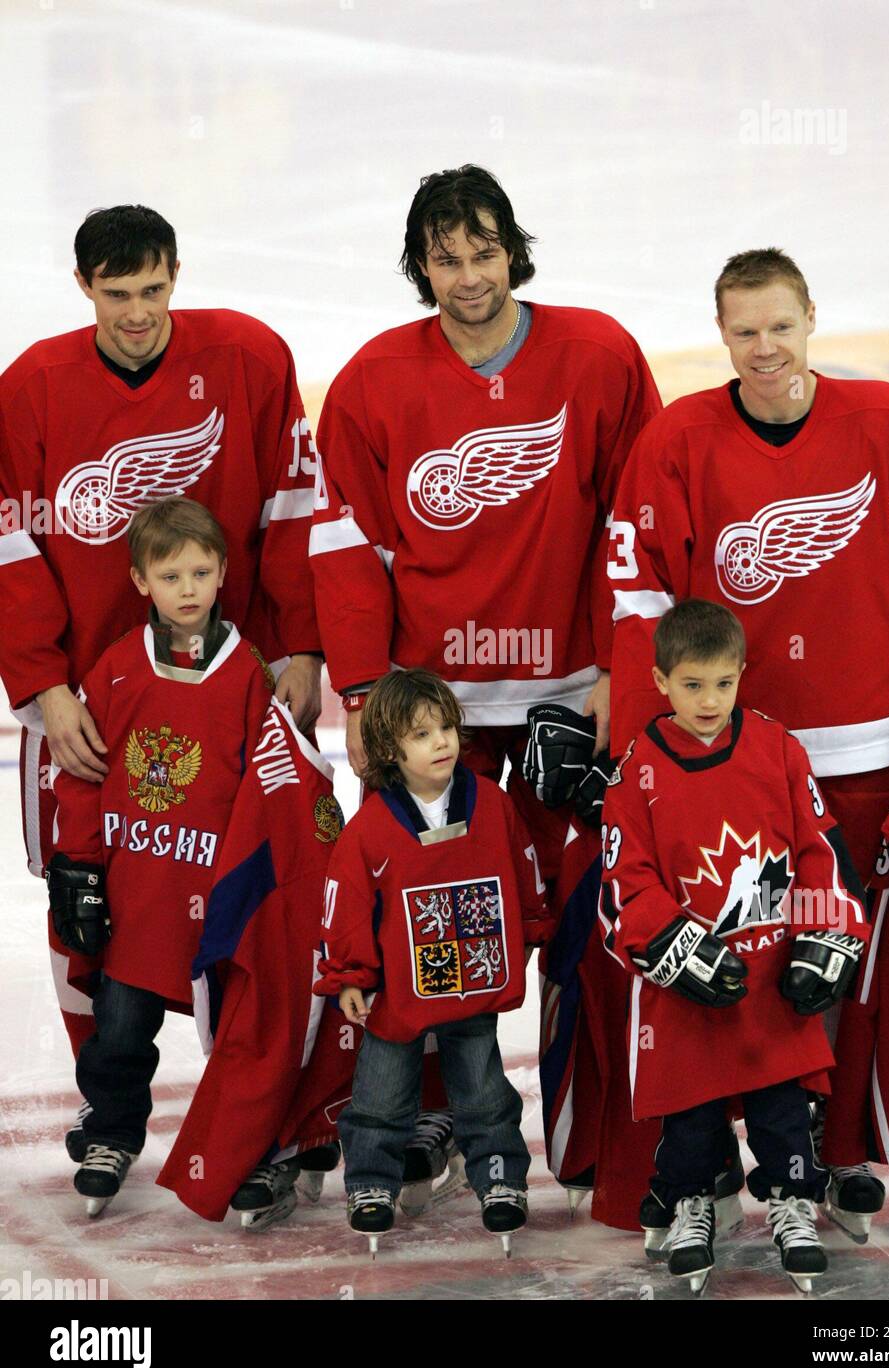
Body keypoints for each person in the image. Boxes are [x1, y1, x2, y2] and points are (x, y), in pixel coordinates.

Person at [608, 247, 889, 1234]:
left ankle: (832, 1147)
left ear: (811, 317)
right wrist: (636, 748)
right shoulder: (678, 438)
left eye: (779, 324)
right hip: (725, 764)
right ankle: (701, 1164)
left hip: (865, 751)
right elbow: (637, 595)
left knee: (835, 955)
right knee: (721, 958)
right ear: (720, 334)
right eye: (743, 330)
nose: (763, 347)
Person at [308, 164, 660, 1193]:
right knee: (412, 920)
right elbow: (345, 543)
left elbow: (632, 527)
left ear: (515, 248)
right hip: (432, 711)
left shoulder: (598, 354)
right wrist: (370, 690)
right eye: (445, 257)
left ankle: (593, 1132)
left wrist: (619, 670)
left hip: (569, 689)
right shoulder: (374, 379)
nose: (467, 276)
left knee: (590, 913)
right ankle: (421, 1121)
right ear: (419, 264)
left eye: (484, 251)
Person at [0, 204, 323, 1073]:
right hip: (92, 700)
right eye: (116, 294)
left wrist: (301, 648)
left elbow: (292, 509)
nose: (137, 314)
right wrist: (42, 685)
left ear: (176, 275)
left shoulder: (249, 358)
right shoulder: (30, 385)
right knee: (83, 897)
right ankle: (106, 1102)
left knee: (249, 888)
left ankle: (251, 1107)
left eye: (152, 289)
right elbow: (11, 546)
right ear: (82, 288)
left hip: (230, 689)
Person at [601, 600, 870, 1293]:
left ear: (741, 673)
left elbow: (818, 848)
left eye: (723, 682)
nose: (709, 700)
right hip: (686, 998)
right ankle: (692, 1200)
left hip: (771, 978)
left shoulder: (776, 746)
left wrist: (826, 930)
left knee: (783, 1111)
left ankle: (790, 1201)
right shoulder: (637, 771)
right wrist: (672, 944)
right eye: (691, 685)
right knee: (690, 1118)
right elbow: (620, 884)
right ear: (659, 681)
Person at [45, 500, 275, 1215]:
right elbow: (82, 771)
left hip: (219, 896)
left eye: (200, 572)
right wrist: (79, 866)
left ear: (223, 574)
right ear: (140, 581)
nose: (187, 588)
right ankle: (112, 1131)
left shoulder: (246, 674)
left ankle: (256, 1150)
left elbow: (274, 786)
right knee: (117, 1029)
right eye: (169, 574)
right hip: (139, 895)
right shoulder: (117, 668)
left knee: (242, 1034)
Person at [313, 669, 554, 1255]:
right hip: (399, 991)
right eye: (423, 734)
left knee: (482, 1088)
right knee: (380, 1091)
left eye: (446, 726)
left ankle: (499, 1175)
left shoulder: (492, 804)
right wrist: (349, 974)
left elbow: (523, 871)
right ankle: (371, 1182)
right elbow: (346, 903)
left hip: (474, 984)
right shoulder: (371, 826)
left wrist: (527, 930)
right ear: (390, 750)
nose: (442, 741)